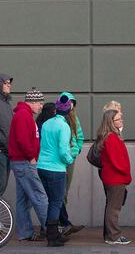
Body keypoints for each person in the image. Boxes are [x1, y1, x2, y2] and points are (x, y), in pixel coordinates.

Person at [8, 88, 48, 242]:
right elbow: (23, 140)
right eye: (39, 103)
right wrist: (31, 157)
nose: (41, 107)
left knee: (23, 199)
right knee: (39, 196)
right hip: (24, 161)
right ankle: (51, 229)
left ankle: (25, 232)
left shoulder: (23, 114)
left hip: (20, 161)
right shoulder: (24, 116)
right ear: (32, 102)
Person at [37, 89, 75, 247]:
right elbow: (63, 150)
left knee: (50, 201)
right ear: (67, 110)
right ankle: (52, 236)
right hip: (56, 169)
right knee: (56, 202)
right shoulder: (64, 126)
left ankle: (52, 233)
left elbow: (43, 144)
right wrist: (69, 159)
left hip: (41, 166)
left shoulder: (46, 123)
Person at [98, 109, 132, 245]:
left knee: (112, 207)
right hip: (115, 178)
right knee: (114, 208)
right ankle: (113, 236)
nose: (121, 121)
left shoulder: (110, 136)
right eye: (118, 119)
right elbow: (118, 161)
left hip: (113, 177)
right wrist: (126, 173)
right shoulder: (111, 138)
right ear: (111, 122)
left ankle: (111, 235)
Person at [56, 92, 85, 237]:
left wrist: (77, 150)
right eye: (69, 101)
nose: (71, 104)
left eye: (73, 102)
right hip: (59, 160)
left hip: (71, 159)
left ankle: (63, 222)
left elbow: (80, 137)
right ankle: (62, 222)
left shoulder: (75, 119)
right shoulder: (58, 120)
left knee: (65, 191)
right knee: (59, 192)